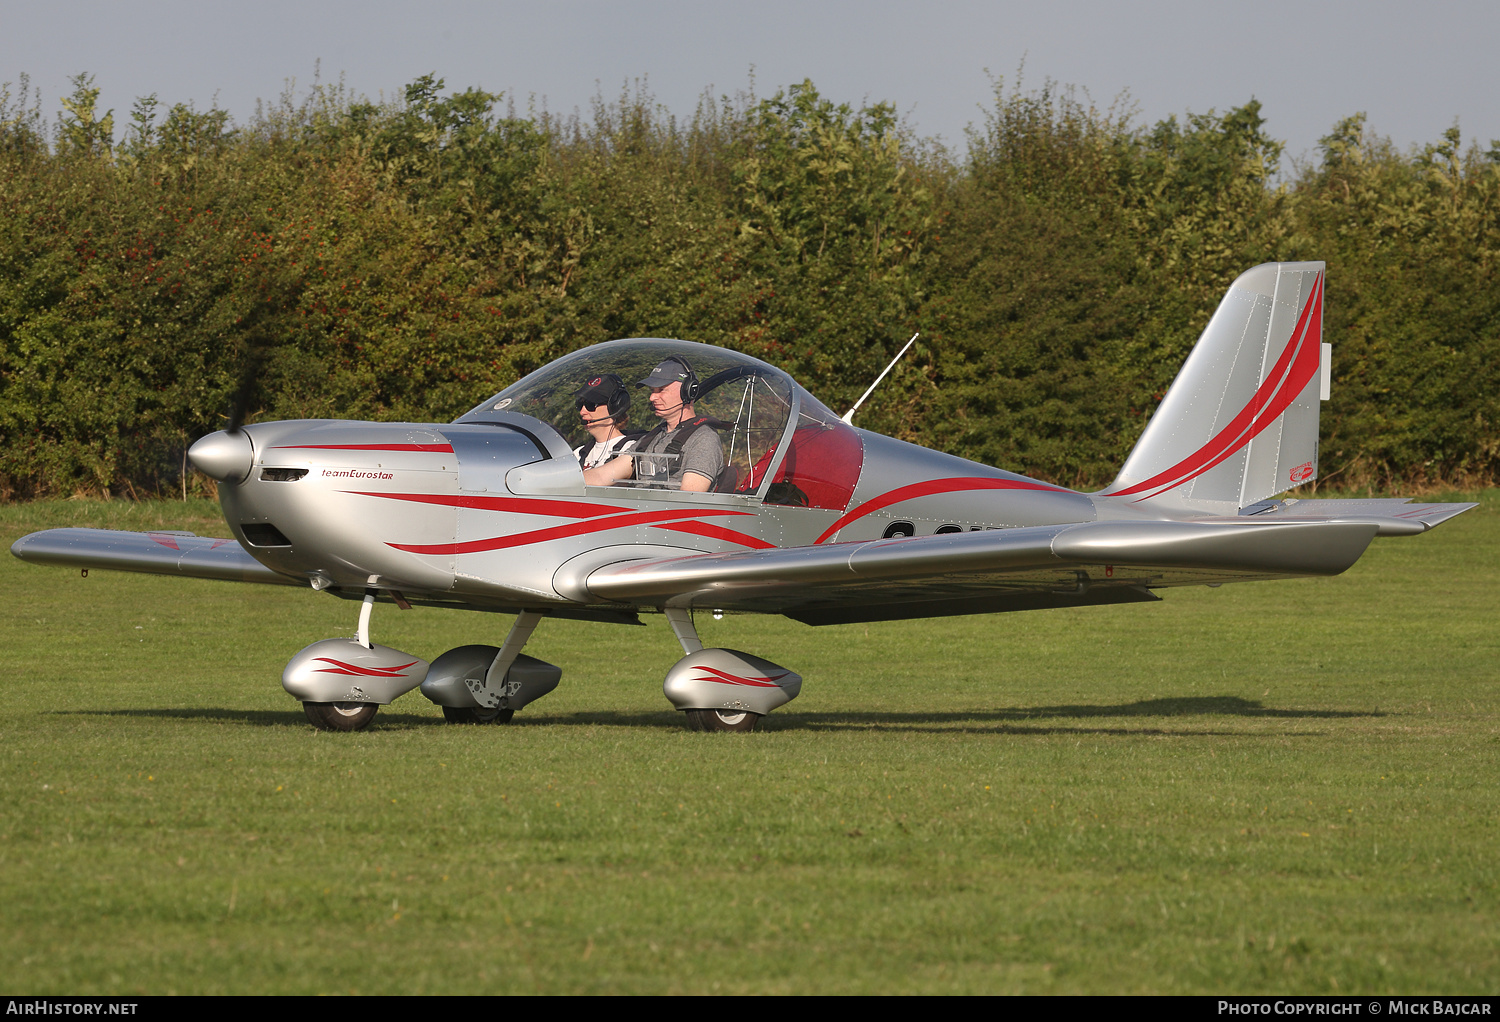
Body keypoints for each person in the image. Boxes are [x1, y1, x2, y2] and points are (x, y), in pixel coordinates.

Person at [585, 356, 724, 491]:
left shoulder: (704, 439)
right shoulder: (652, 438)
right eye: (652, 391)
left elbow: (689, 500)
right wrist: (567, 481)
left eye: (661, 390)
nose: (652, 397)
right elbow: (602, 476)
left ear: (687, 391)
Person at [572, 374, 637, 471]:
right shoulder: (579, 454)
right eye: (580, 404)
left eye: (591, 404)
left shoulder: (629, 450)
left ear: (616, 406)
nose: (582, 412)